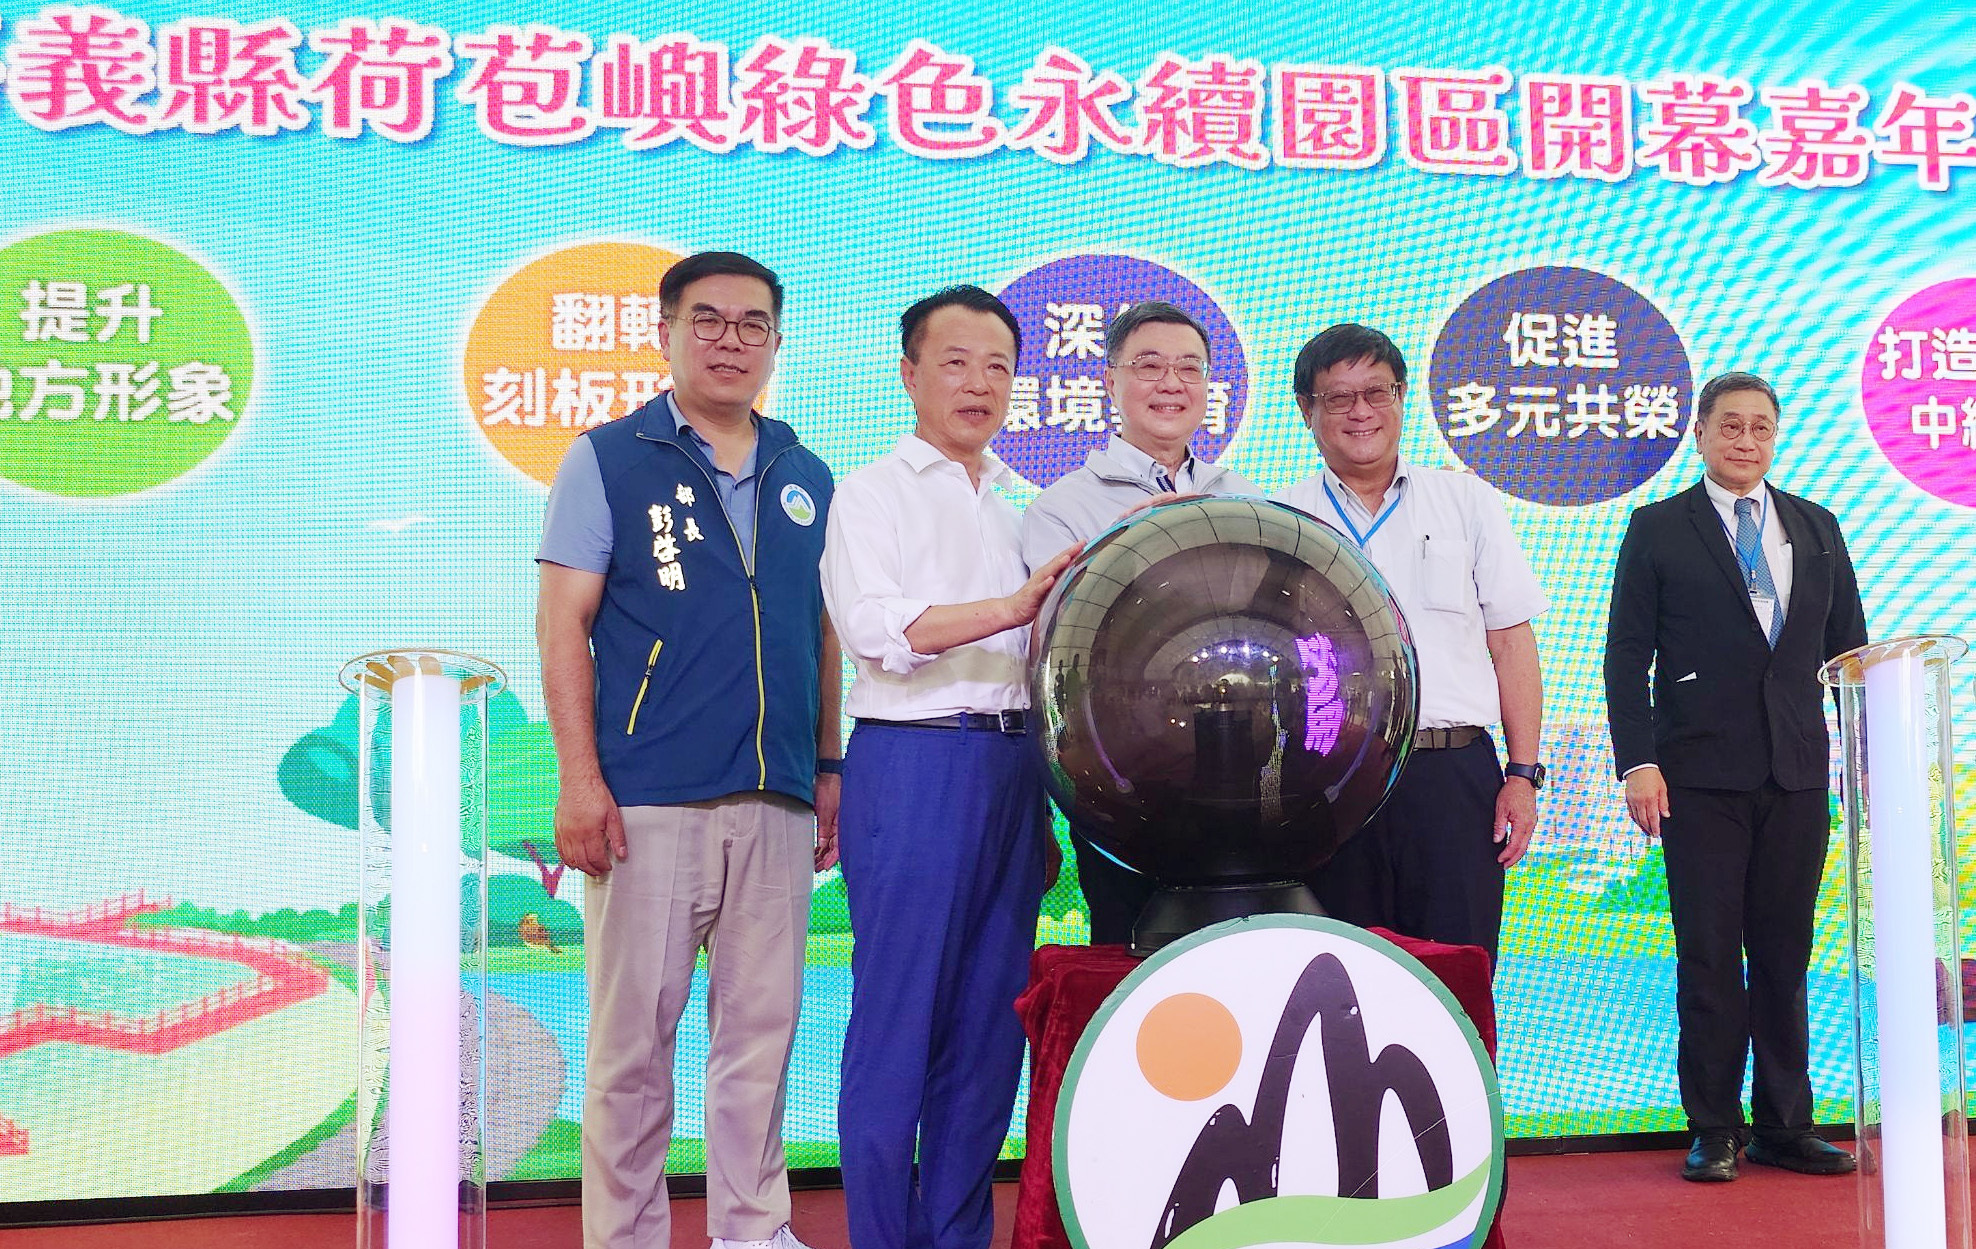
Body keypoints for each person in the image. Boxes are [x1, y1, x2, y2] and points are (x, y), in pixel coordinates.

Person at [535, 250, 840, 1249]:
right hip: (648, 798)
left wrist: (827, 767)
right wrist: (580, 780)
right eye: (706, 319)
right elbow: (562, 622)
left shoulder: (806, 473)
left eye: (752, 324)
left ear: (776, 345)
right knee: (632, 1050)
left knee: (761, 1040)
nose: (729, 339)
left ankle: (753, 1230)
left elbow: (820, 633)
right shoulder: (608, 459)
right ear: (664, 332)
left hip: (777, 800)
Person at [821, 284, 1078, 1249]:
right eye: (956, 362)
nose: (978, 384)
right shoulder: (870, 493)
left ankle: (957, 1235)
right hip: (914, 764)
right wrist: (1012, 607)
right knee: (899, 1022)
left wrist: (1042, 808)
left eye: (998, 366)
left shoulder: (1013, 512)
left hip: (1011, 771)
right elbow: (875, 632)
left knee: (986, 1032)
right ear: (910, 374)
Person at [1604, 370, 1866, 1183]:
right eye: (1730, 425)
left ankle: (1785, 1125)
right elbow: (1626, 658)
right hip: (1697, 776)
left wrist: (1862, 760)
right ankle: (1714, 1126)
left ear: (1774, 437)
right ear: (1701, 434)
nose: (1745, 440)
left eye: (1760, 427)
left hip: (1797, 774)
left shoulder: (1818, 527)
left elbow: (1850, 654)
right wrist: (1639, 762)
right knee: (1711, 956)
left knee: (1785, 954)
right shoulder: (1658, 527)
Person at [1274, 323, 1546, 962]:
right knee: (1337, 973)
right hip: (1328, 779)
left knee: (1457, 971)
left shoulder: (1464, 500)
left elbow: (1511, 640)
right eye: (1339, 398)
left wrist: (1523, 774)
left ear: (1400, 398)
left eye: (1377, 392)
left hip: (1449, 774)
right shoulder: (1280, 517)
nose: (1361, 412)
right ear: (1307, 411)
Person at [1020, 298, 1260, 945]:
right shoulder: (1063, 508)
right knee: (1130, 959)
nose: (1171, 383)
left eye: (1190, 367)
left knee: (1242, 955)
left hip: (1242, 776)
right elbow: (1055, 652)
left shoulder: (1244, 499)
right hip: (1122, 781)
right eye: (1149, 366)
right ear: (1110, 382)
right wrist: (1131, 542)